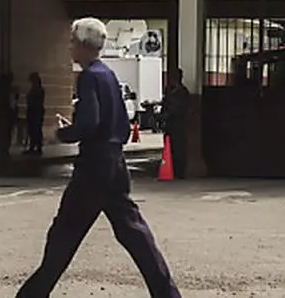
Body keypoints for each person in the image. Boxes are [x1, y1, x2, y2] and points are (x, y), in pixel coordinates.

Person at [17, 17, 181, 298]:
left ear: (83, 44)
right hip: (115, 162)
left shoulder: (89, 77)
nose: (69, 47)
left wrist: (63, 133)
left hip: (93, 166)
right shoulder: (108, 75)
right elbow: (119, 124)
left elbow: (89, 123)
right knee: (134, 233)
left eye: (72, 41)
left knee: (64, 233)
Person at [158, 68, 190, 180]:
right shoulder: (169, 91)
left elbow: (179, 108)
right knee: (170, 147)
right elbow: (165, 105)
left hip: (178, 124)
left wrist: (167, 114)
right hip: (170, 125)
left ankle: (179, 171)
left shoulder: (182, 92)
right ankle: (172, 168)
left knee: (178, 148)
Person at [25, 71, 45, 155]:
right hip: (34, 111)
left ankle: (37, 147)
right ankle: (33, 147)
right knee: (33, 130)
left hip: (36, 111)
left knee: (36, 129)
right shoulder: (35, 89)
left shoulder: (38, 90)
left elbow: (36, 101)